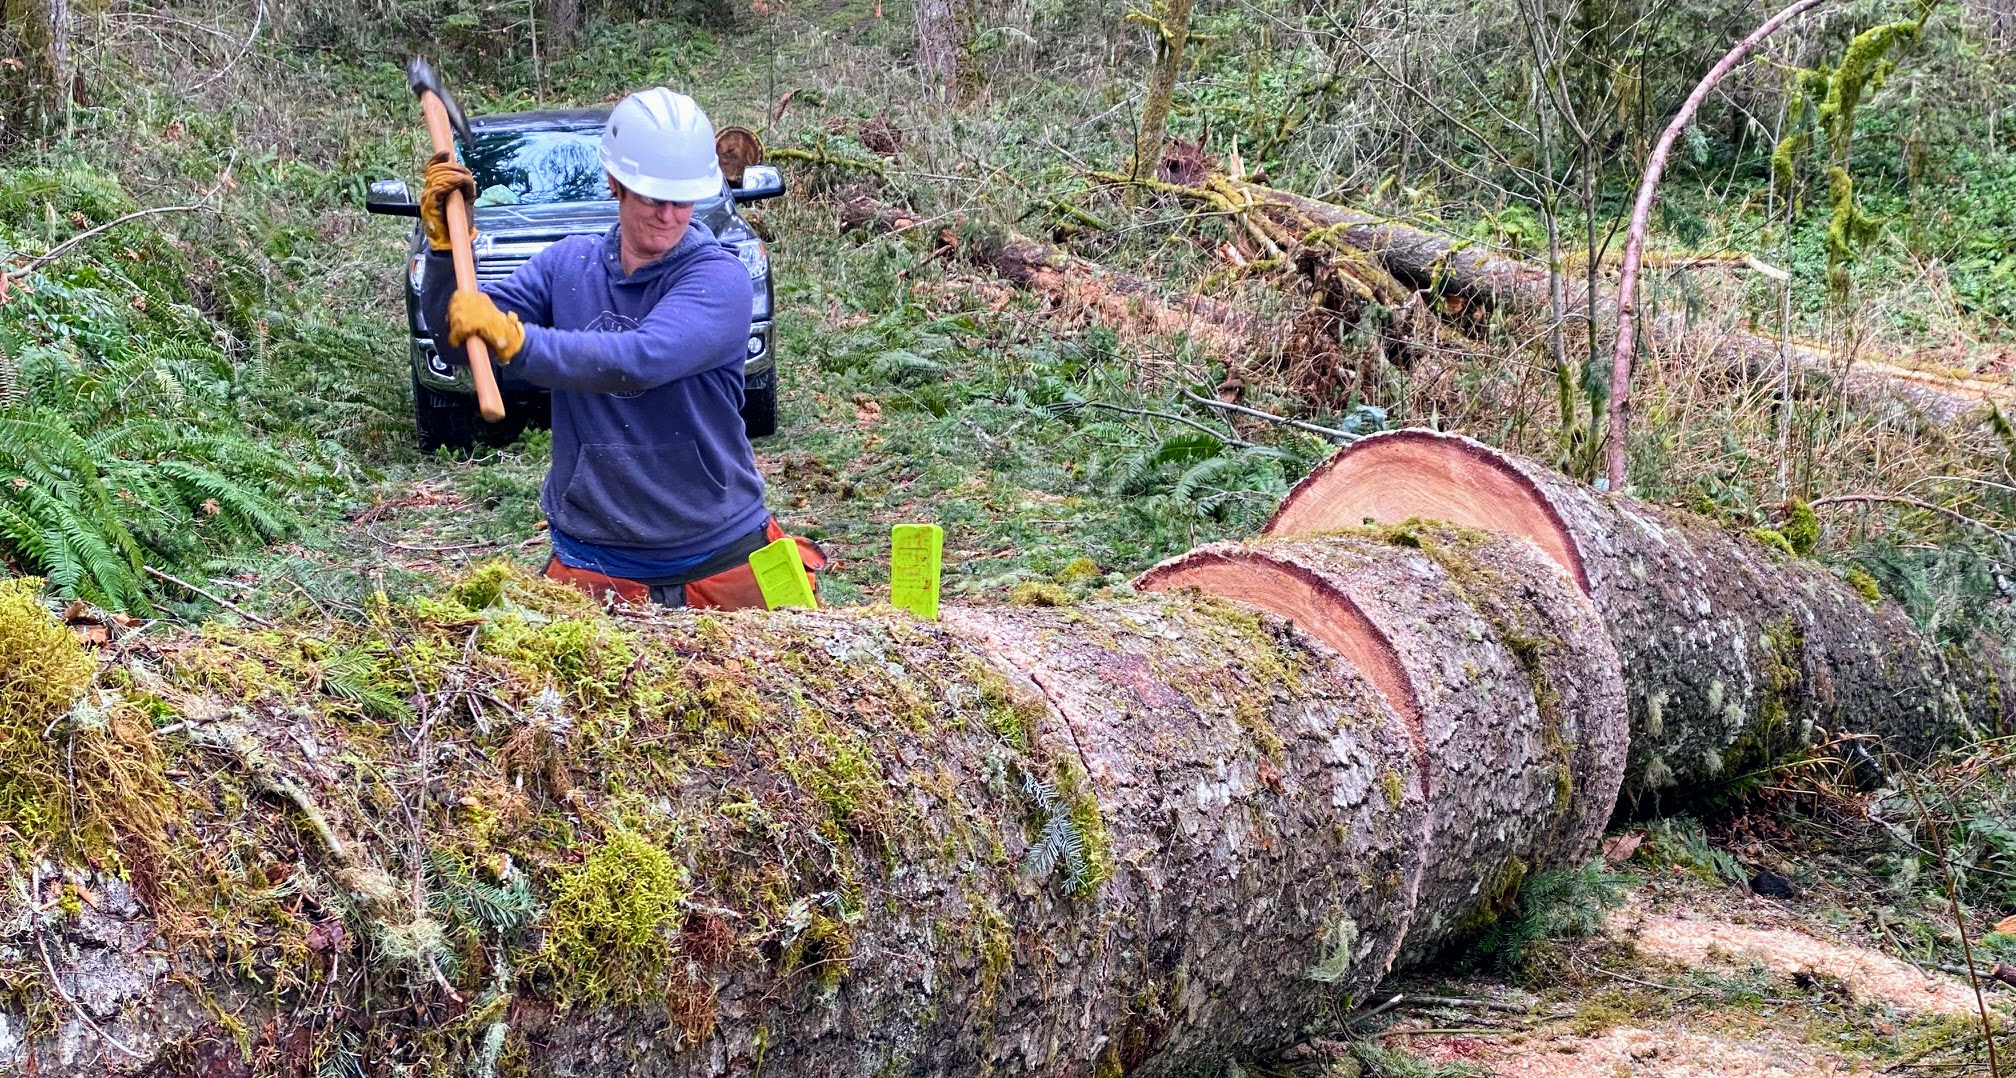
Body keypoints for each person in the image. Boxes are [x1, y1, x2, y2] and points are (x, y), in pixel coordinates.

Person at [417, 88, 820, 610]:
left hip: (722, 556)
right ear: (616, 183)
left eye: (682, 198)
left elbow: (639, 360)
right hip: (594, 561)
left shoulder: (720, 278)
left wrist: (516, 340)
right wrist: (446, 254)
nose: (669, 215)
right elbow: (461, 339)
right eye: (653, 197)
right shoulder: (568, 264)